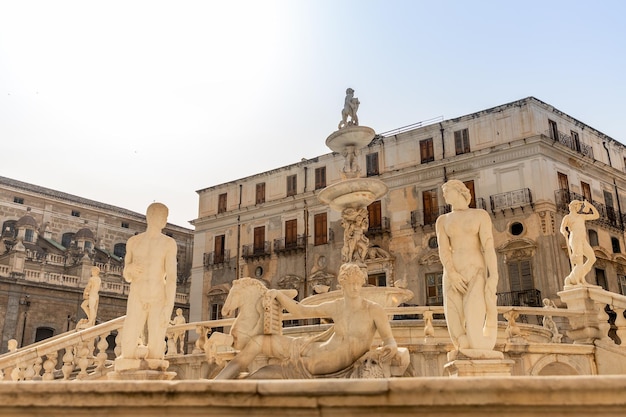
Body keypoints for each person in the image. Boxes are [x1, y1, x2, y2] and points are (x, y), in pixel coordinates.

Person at [214, 262, 397, 379]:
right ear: (342, 285)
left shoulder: (374, 310)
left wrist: (388, 348)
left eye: (358, 283)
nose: (355, 288)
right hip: (310, 347)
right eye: (350, 284)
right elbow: (301, 310)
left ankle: (229, 388)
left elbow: (389, 340)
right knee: (259, 341)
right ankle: (218, 382)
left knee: (265, 374)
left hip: (321, 364)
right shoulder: (337, 306)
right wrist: (278, 295)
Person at [436, 180, 499, 353]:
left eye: (447, 191)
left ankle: (478, 344)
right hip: (452, 273)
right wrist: (452, 273)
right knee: (453, 316)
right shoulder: (442, 220)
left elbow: (488, 247)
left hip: (475, 270)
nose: (444, 195)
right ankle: (462, 344)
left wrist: (493, 275)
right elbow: (443, 250)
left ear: (459, 191)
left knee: (474, 318)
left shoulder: (480, 215)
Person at [119, 202, 178, 360]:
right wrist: (130, 269)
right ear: (150, 216)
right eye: (162, 216)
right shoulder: (134, 242)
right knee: (128, 347)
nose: (164, 220)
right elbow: (126, 273)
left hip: (158, 297)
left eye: (165, 217)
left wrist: (168, 307)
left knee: (156, 351)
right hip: (137, 295)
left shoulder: (168, 244)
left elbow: (172, 278)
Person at [560, 200, 599, 287]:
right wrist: (564, 232)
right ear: (574, 206)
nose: (580, 208)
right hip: (575, 239)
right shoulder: (567, 217)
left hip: (582, 239)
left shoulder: (581, 216)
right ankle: (580, 281)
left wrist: (590, 206)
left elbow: (596, 215)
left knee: (592, 258)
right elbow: (562, 228)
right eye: (579, 206)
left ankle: (575, 277)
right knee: (579, 262)